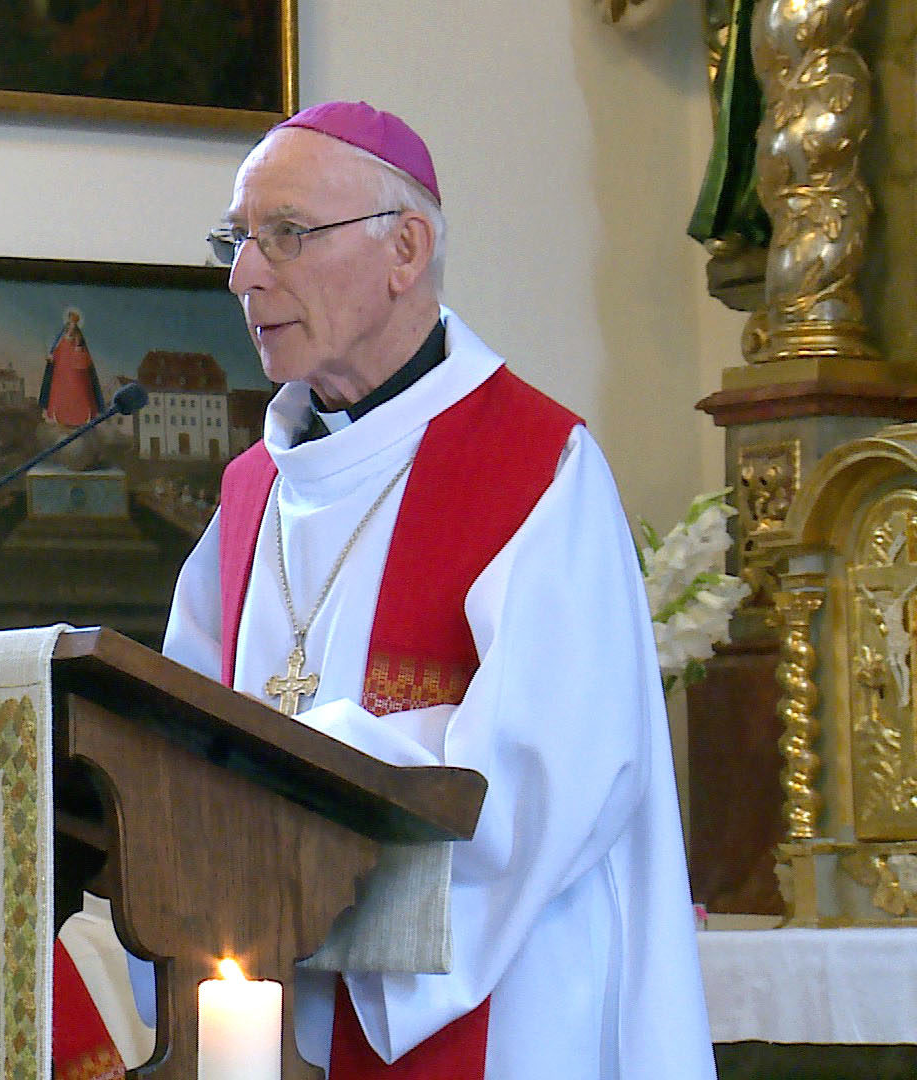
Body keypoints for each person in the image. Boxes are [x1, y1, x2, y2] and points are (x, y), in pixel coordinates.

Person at [162, 102, 715, 1079]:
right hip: (282, 1014)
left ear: (404, 249)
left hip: (504, 1017)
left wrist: (298, 773)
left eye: (284, 235)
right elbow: (169, 740)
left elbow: (550, 774)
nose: (245, 274)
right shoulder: (251, 495)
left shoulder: (533, 466)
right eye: (237, 239)